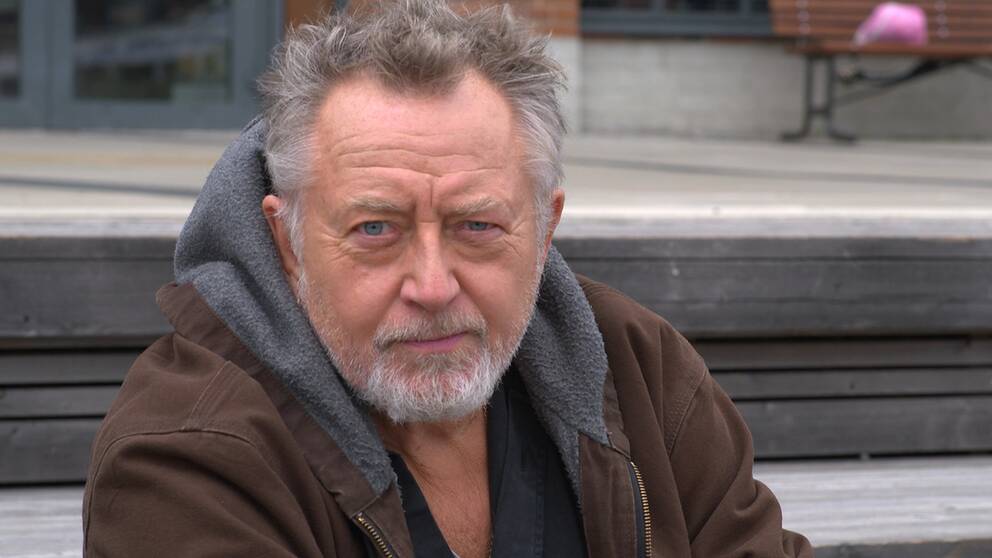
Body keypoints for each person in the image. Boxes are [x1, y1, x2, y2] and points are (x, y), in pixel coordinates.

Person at [82, 1, 813, 556]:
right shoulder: (190, 456)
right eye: (376, 229)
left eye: (477, 226)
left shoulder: (639, 373)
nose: (432, 288)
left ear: (544, 229)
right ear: (289, 241)